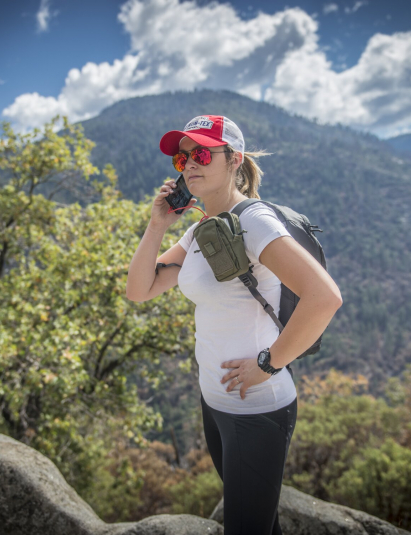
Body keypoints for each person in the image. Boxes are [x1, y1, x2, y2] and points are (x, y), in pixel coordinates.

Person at [126, 115, 342, 534]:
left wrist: (268, 364)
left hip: (256, 409)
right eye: (182, 158)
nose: (191, 163)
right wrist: (157, 225)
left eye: (203, 154)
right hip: (215, 403)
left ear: (235, 159)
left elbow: (325, 298)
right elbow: (140, 289)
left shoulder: (254, 221)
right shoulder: (200, 231)